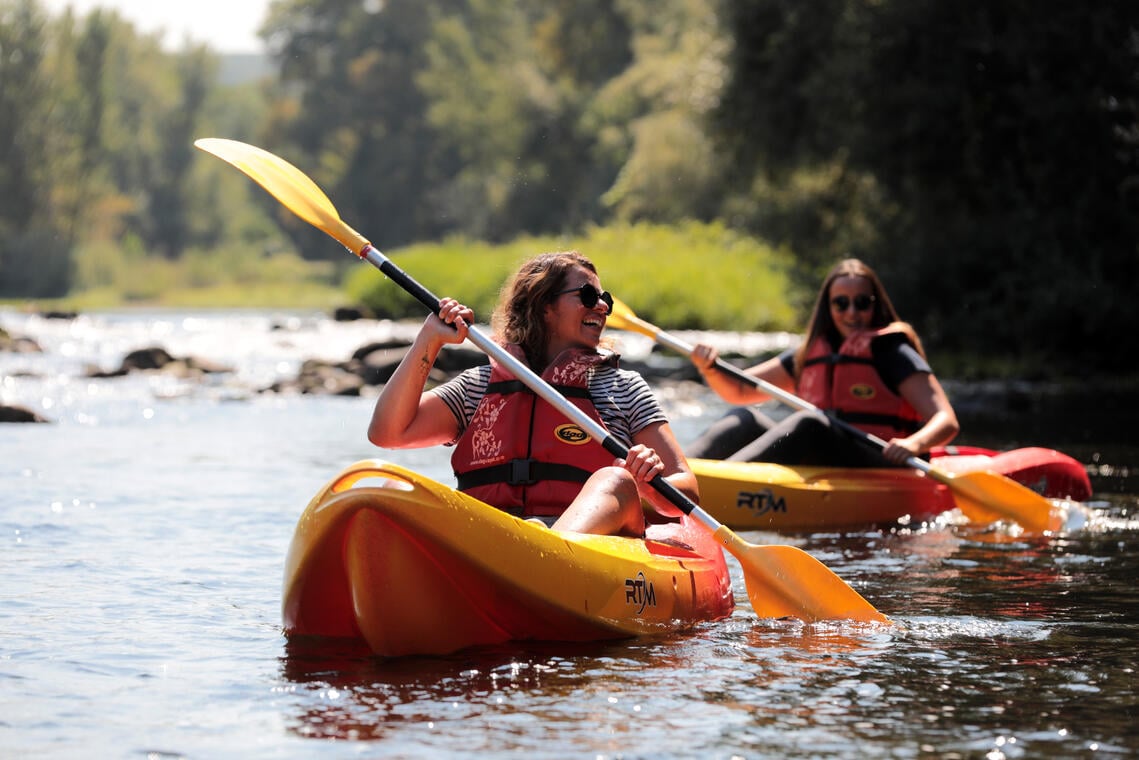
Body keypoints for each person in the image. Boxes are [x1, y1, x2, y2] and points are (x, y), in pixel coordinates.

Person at [368, 251, 693, 537]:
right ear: (544, 307)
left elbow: (687, 490)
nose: (604, 305)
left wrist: (650, 483)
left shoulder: (624, 387)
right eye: (588, 295)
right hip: (492, 538)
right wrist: (429, 339)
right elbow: (388, 433)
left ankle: (549, 548)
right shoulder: (480, 385)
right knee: (395, 488)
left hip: (588, 550)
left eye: (604, 296)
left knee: (616, 481)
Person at [687, 258, 959, 467]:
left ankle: (718, 487)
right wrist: (708, 368)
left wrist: (914, 444)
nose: (852, 312)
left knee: (811, 423)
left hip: (882, 460)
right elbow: (740, 391)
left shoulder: (892, 351)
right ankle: (676, 477)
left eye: (862, 303)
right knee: (742, 420)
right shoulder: (810, 354)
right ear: (828, 308)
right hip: (827, 458)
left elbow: (946, 420)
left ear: (875, 306)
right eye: (841, 303)